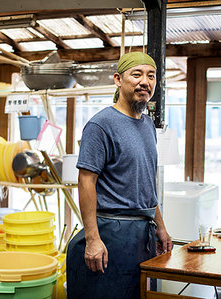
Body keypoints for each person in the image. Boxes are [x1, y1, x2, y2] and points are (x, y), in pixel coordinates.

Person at [66, 51, 172, 299]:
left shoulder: (147, 126)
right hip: (109, 235)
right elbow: (86, 181)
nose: (145, 81)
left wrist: (161, 227)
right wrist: (92, 239)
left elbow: (146, 184)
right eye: (136, 74)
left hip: (142, 238)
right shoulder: (101, 125)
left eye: (151, 76)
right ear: (118, 79)